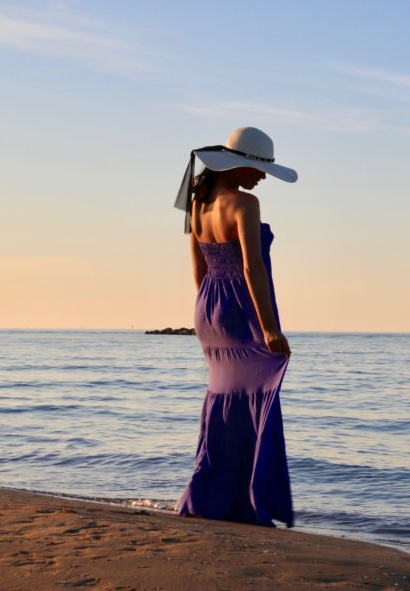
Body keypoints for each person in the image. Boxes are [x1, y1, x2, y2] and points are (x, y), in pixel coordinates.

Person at [173, 126, 298, 527]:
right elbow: (251, 267)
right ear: (238, 165)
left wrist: (208, 313)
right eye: (259, 168)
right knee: (257, 391)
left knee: (225, 396)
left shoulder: (199, 205)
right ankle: (247, 500)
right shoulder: (245, 205)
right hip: (241, 307)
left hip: (209, 307)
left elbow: (198, 268)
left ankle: (212, 493)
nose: (262, 177)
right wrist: (269, 329)